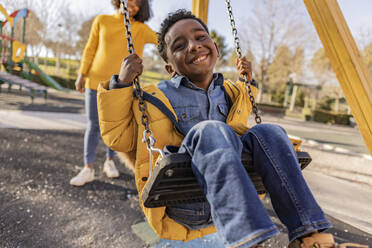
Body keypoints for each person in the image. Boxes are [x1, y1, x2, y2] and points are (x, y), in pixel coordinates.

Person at [96, 10, 368, 248]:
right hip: (187, 201)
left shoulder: (231, 92)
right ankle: (246, 242)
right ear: (170, 68)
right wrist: (121, 85)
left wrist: (248, 81)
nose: (194, 45)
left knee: (270, 132)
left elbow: (247, 102)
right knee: (210, 130)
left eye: (201, 37)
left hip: (236, 197)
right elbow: (118, 137)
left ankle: (311, 237)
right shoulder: (155, 96)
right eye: (180, 45)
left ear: (214, 46)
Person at [70, 0, 157, 186]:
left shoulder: (141, 29)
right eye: (130, 1)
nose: (133, 6)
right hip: (95, 81)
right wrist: (81, 74)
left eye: (138, 5)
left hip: (122, 87)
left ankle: (110, 162)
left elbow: (163, 38)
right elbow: (90, 49)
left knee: (118, 127)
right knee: (94, 125)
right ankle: (88, 167)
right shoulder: (102, 20)